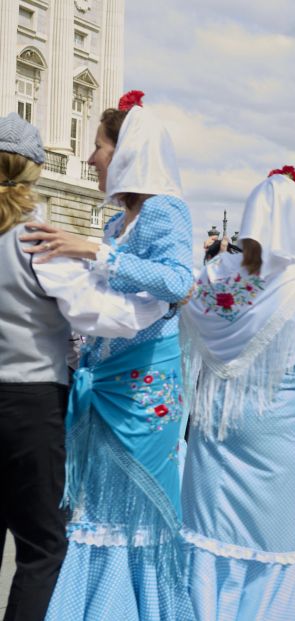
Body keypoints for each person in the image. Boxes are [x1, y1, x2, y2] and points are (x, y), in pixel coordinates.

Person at [30, 91, 197, 620]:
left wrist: (94, 253)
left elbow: (177, 281)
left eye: (98, 146)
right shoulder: (114, 222)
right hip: (105, 382)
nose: (90, 158)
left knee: (137, 510)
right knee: (100, 509)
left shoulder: (166, 210)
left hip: (146, 387)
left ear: (127, 152)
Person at [180, 169, 295, 620]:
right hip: (277, 433)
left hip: (213, 429)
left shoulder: (210, 280)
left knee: (210, 543)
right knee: (281, 546)